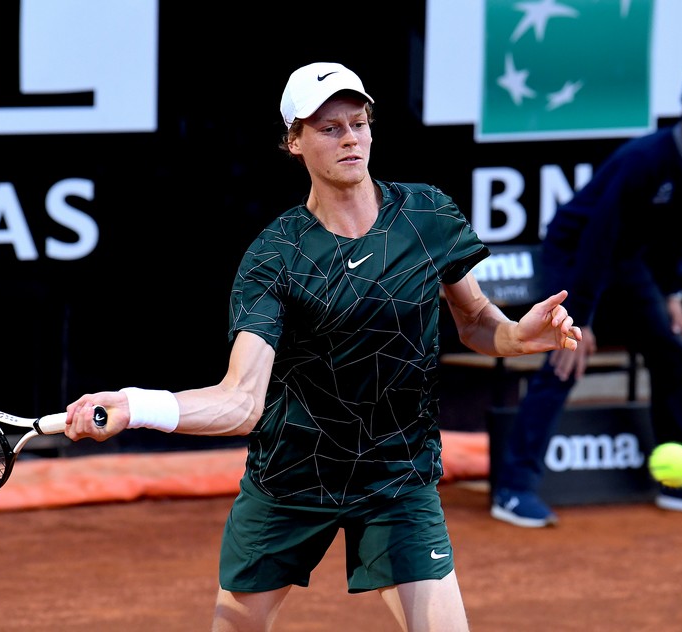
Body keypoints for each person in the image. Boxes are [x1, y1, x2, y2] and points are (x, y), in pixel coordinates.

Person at [63, 62, 581, 631]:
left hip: (397, 476)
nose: (351, 138)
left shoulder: (428, 215)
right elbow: (240, 401)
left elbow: (477, 320)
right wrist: (138, 405)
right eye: (329, 128)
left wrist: (515, 335)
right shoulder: (275, 257)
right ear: (294, 141)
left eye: (358, 123)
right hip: (291, 477)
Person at [490, 60, 682, 529]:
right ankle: (513, 490)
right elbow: (598, 236)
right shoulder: (645, 159)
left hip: (628, 262)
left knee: (672, 352)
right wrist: (582, 318)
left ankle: (681, 483)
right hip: (574, 255)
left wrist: (671, 293)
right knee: (567, 355)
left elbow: (681, 233)